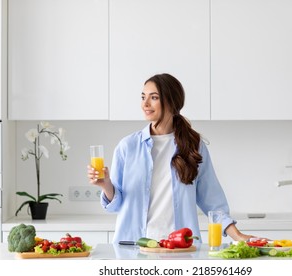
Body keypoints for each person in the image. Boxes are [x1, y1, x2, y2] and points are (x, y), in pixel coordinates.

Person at [87, 73, 256, 244]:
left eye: (154, 97)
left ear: (172, 102)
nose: (145, 104)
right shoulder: (128, 146)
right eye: (143, 97)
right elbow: (115, 205)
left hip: (180, 248)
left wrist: (239, 236)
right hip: (134, 247)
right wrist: (105, 184)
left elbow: (213, 202)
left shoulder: (193, 146)